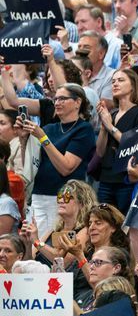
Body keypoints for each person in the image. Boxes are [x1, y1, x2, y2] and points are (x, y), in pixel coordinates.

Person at [17, 83, 95, 234]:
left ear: (77, 102)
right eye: (55, 99)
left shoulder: (84, 129)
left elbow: (66, 168)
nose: (57, 103)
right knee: (35, 244)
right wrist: (23, 140)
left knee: (55, 247)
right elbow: (28, 164)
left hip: (64, 198)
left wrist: (43, 138)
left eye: (62, 99)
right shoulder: (49, 128)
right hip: (39, 194)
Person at [96, 69, 138, 214]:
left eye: (121, 80)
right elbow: (100, 152)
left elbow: (134, 147)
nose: (115, 84)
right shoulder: (112, 113)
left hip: (126, 180)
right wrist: (103, 127)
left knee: (124, 225)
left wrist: (110, 127)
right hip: (106, 178)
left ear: (133, 85)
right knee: (105, 222)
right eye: (113, 81)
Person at [22, 180, 97, 267]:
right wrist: (27, 242)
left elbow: (63, 264)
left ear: (82, 203)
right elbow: (29, 262)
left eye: (68, 197)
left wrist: (36, 242)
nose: (61, 200)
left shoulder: (86, 231)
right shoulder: (52, 231)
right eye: (60, 196)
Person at [78, 31, 115, 103]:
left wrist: (84, 83)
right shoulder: (72, 72)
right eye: (79, 47)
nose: (80, 51)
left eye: (86, 48)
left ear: (101, 53)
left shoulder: (112, 76)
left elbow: (102, 108)